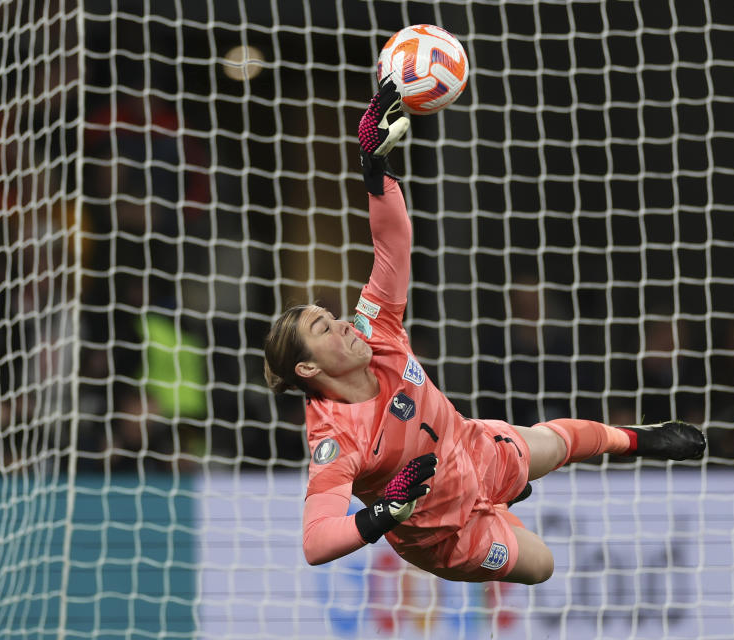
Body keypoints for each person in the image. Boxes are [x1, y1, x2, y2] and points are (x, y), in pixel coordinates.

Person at [262, 79, 707, 585]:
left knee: (553, 443)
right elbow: (315, 543)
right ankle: (504, 511)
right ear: (308, 367)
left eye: (332, 315)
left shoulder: (374, 329)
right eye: (324, 326)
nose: (342, 322)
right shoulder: (336, 440)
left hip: (473, 447)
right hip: (446, 534)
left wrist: (374, 169)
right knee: (541, 565)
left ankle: (639, 440)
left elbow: (393, 245)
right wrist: (385, 511)